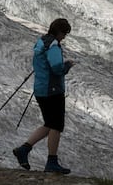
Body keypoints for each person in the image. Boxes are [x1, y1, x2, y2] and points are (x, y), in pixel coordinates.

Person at [12, 18, 75, 174]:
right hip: (52, 90)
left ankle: (24, 150)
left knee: (49, 124)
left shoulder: (41, 42)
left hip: (41, 89)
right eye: (64, 34)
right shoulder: (53, 45)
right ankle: (51, 162)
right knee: (56, 126)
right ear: (59, 32)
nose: (64, 37)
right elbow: (56, 68)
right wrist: (67, 66)